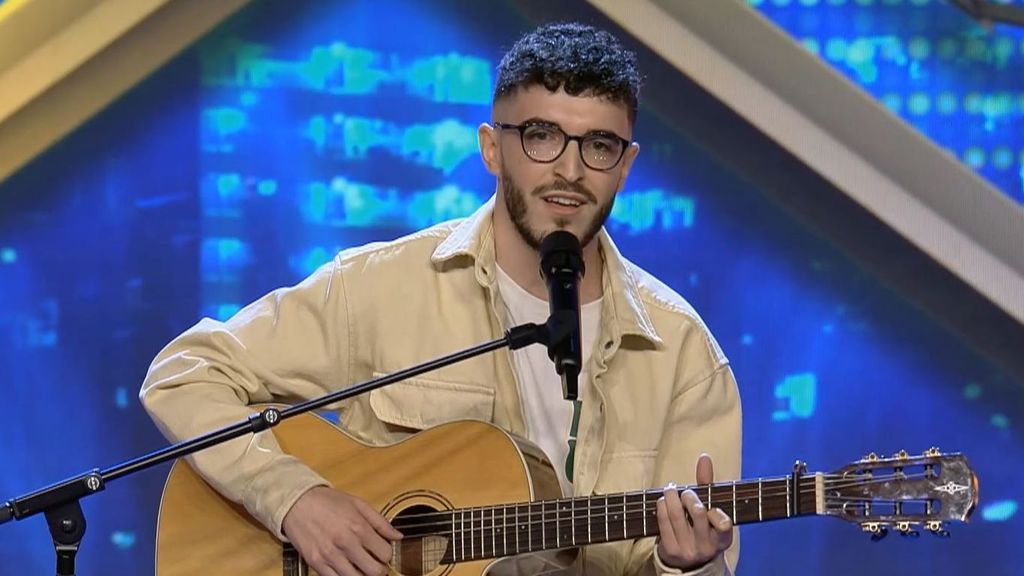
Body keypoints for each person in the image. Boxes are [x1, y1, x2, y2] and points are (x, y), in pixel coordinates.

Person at [141, 22, 741, 576]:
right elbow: (184, 374)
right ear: (491, 147)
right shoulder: (379, 286)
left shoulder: (682, 352)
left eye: (599, 146)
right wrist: (294, 497)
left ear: (626, 165)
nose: (569, 170)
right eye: (541, 137)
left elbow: (703, 556)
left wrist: (689, 566)